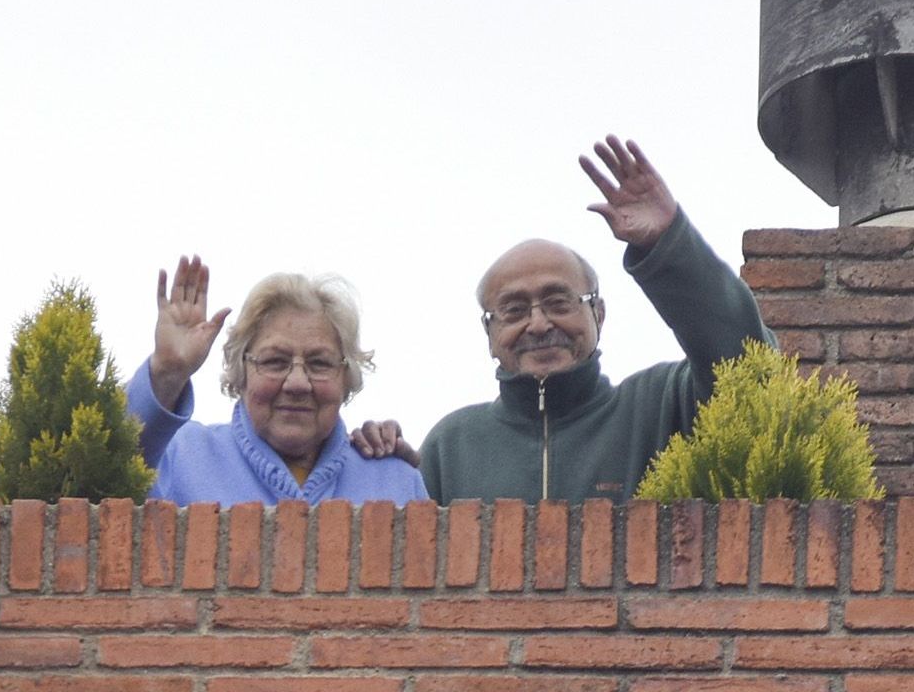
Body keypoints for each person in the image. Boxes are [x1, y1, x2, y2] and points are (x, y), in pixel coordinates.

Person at [354, 135, 775, 503]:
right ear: (489, 333)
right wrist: (384, 471)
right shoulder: (454, 444)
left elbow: (747, 362)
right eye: (514, 311)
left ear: (598, 313)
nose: (538, 325)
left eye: (559, 302)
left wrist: (668, 245)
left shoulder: (661, 406)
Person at [128, 258, 428, 505]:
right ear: (241, 372)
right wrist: (167, 372)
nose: (297, 383)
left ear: (346, 377)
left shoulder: (395, 482)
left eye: (320, 363)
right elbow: (104, 468)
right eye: (275, 361)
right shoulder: (181, 457)